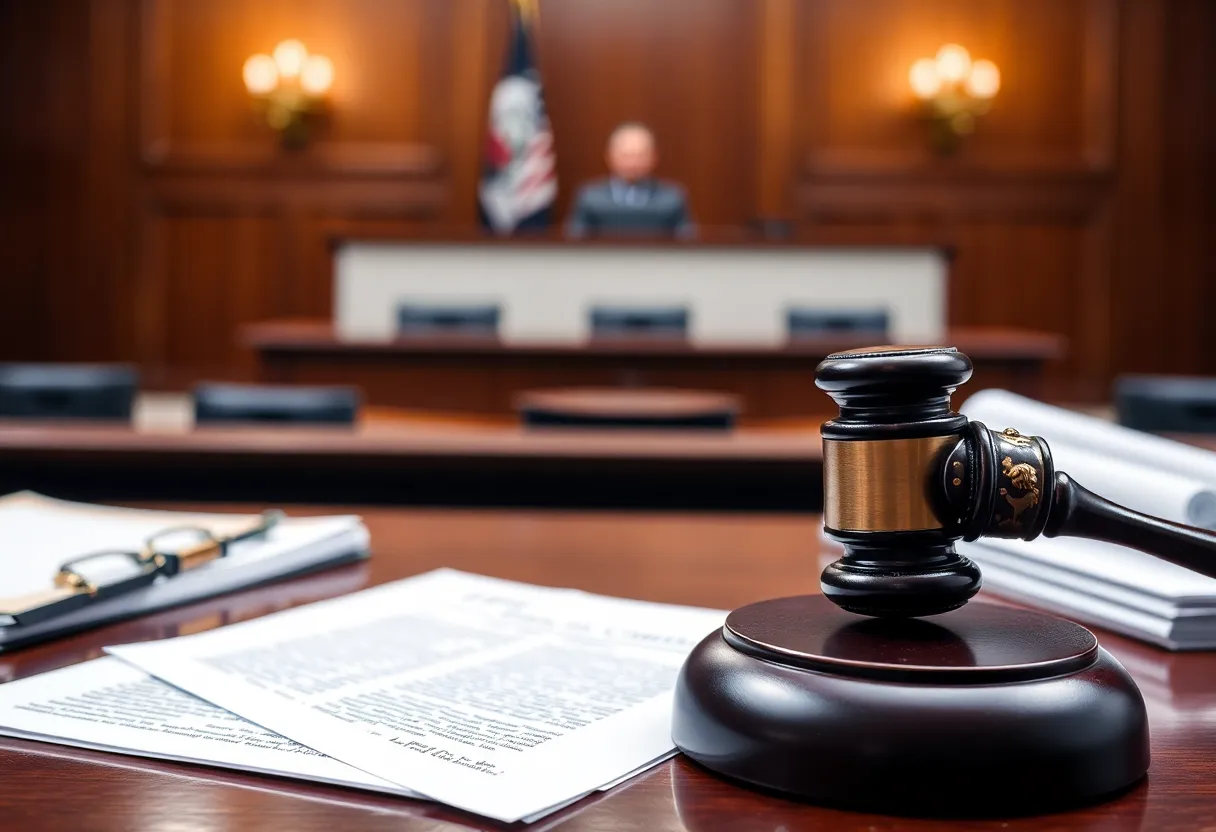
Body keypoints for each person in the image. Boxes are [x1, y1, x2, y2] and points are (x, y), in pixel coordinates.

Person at [565, 123, 695, 239]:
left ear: (654, 157)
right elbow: (575, 241)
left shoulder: (672, 197)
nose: (633, 163)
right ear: (609, 156)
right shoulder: (589, 197)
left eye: (640, 155)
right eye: (626, 155)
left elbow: (688, 243)